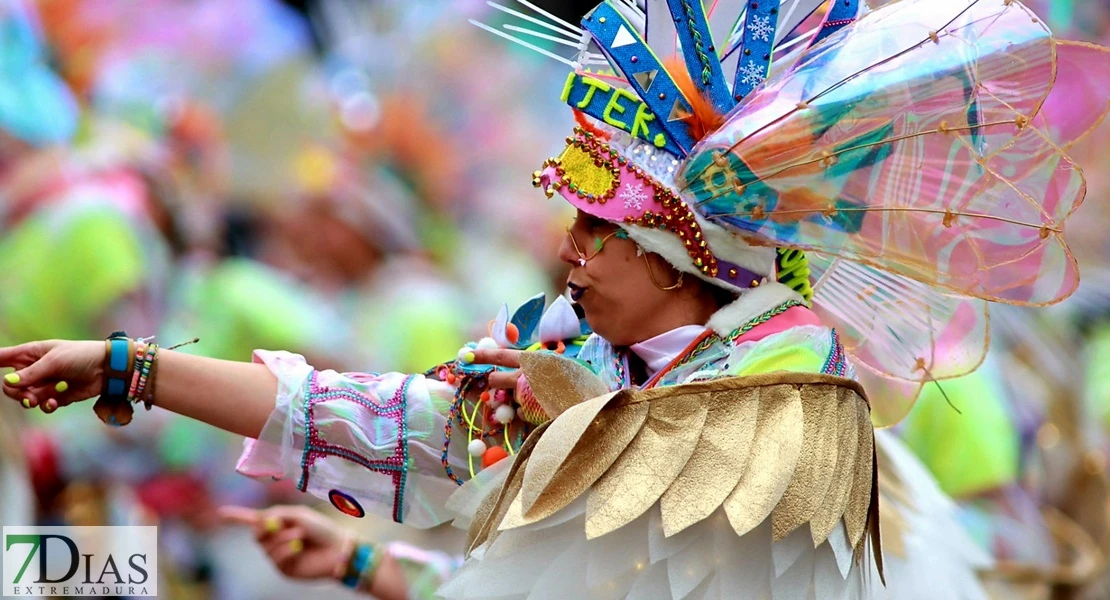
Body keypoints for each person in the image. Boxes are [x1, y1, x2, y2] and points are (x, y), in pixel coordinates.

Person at [3, 0, 1108, 597]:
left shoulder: (791, 407)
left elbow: (608, 525)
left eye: (600, 234)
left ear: (686, 264)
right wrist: (131, 369)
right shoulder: (576, 371)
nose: (567, 251)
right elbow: (420, 441)